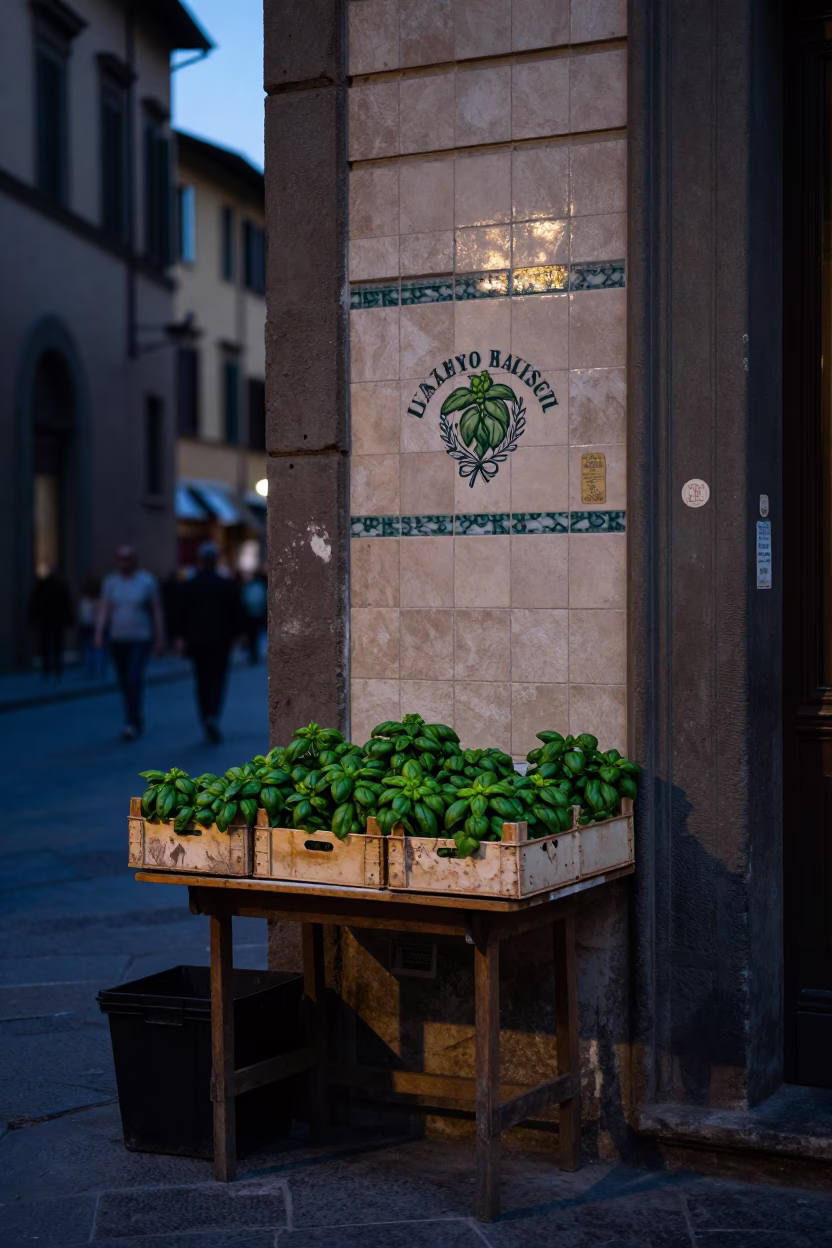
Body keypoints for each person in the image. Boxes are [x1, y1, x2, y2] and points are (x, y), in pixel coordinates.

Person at [175, 541, 244, 743]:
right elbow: (237, 613)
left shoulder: (189, 585)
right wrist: (239, 635)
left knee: (202, 679)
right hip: (220, 640)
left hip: (197, 641)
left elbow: (180, 614)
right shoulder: (226, 585)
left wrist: (180, 637)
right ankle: (213, 713)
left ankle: (206, 714)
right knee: (218, 679)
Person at [96, 546, 164, 740]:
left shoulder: (146, 582)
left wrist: (160, 636)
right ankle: (133, 716)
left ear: (135, 561)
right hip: (118, 638)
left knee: (134, 677)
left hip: (140, 637)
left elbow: (156, 610)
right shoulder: (111, 583)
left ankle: (131, 721)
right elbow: (104, 608)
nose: (123, 563)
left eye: (127, 559)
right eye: (120, 559)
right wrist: (99, 633)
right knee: (125, 680)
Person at [28, 568, 72, 679]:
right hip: (52, 621)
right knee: (54, 646)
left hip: (50, 621)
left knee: (50, 646)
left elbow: (67, 604)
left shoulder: (45, 586)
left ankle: (50, 669)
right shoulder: (50, 586)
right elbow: (67, 604)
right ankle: (54, 669)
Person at [78, 575, 105, 678]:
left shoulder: (85, 599)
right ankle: (97, 668)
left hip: (89, 625)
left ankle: (91, 668)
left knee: (89, 647)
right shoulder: (98, 599)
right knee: (97, 648)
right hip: (93, 625)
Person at [240, 567, 267, 664]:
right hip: (256, 613)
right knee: (256, 635)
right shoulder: (259, 586)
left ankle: (254, 653)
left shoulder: (251, 586)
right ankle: (254, 653)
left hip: (252, 614)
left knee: (254, 635)